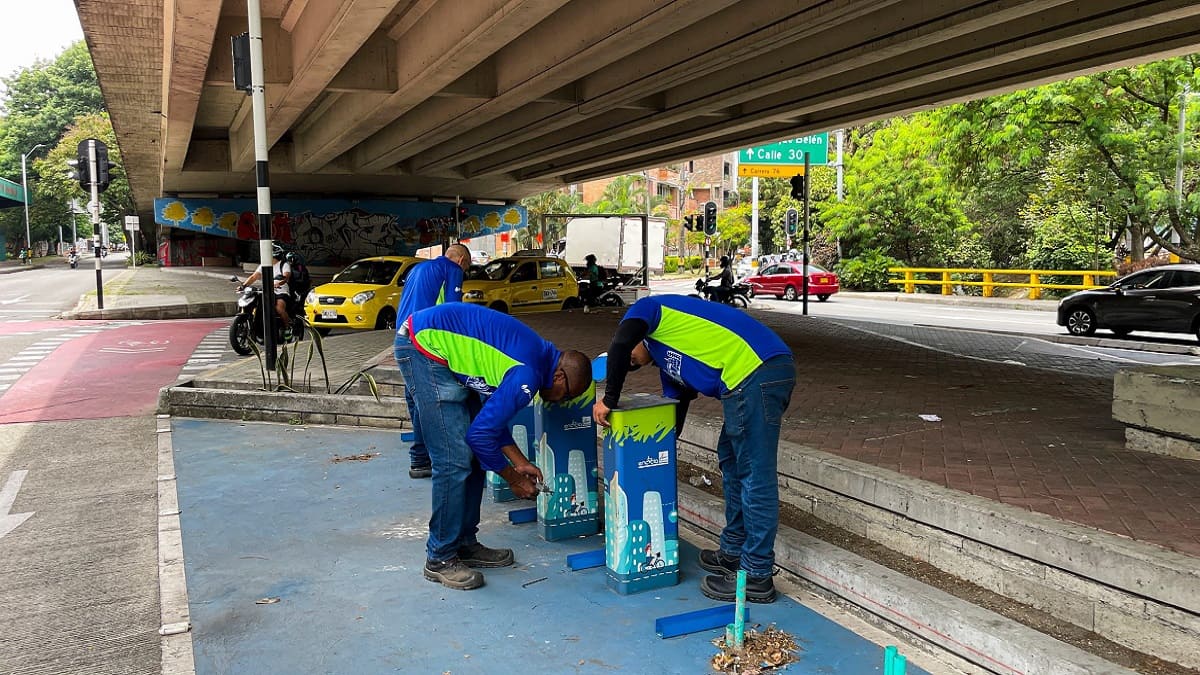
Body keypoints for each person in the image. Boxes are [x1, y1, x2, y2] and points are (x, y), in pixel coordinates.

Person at [593, 294, 795, 603]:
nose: (629, 362)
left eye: (629, 359)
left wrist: (608, 400)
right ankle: (733, 551)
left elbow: (620, 345)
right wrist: (651, 457)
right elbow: (675, 414)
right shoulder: (668, 362)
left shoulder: (649, 310)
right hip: (746, 379)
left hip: (757, 370)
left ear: (636, 335)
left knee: (754, 473)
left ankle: (756, 575)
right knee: (730, 461)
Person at [394, 303, 593, 591]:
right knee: (454, 460)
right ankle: (439, 557)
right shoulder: (528, 376)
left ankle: (463, 543)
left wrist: (519, 461)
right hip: (423, 347)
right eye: (565, 396)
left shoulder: (537, 359)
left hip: (440, 349)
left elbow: (490, 421)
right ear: (560, 377)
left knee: (471, 457)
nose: (559, 401)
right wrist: (513, 479)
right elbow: (480, 435)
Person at [394, 243, 471, 479]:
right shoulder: (452, 270)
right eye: (466, 268)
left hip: (401, 338)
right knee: (427, 403)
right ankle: (420, 460)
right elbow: (452, 312)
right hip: (422, 341)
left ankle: (421, 456)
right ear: (461, 261)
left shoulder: (417, 269)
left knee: (416, 401)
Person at [240, 246, 293, 337]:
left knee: (279, 308)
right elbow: (254, 277)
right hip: (266, 291)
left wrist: (279, 283)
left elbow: (286, 276)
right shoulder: (263, 265)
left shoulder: (284, 264)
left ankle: (287, 328)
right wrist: (243, 286)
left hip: (281, 291)